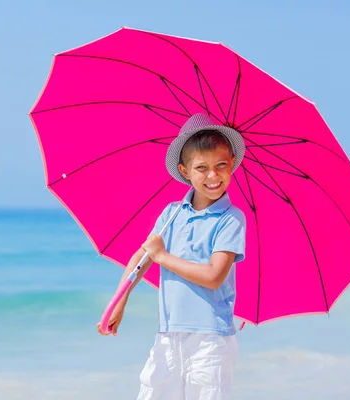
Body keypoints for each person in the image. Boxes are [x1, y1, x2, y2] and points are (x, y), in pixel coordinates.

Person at [97, 113, 247, 400]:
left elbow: (214, 276)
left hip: (210, 338)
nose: (213, 175)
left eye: (221, 166)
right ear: (185, 171)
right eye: (202, 168)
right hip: (168, 332)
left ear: (232, 166)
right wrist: (120, 301)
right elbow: (142, 256)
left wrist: (163, 257)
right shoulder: (171, 214)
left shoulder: (231, 219)